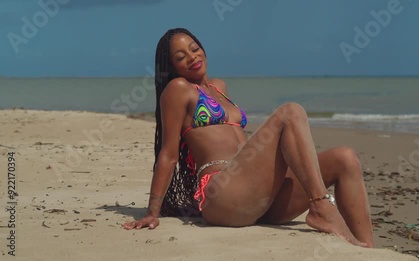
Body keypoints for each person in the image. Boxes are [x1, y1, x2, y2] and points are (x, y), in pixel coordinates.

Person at [122, 28, 374, 248]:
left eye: (194, 48)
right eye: (180, 57)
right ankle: (320, 206)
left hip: (257, 197)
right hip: (222, 193)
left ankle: (370, 250)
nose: (192, 57)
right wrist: (152, 212)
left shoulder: (219, 87)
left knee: (345, 157)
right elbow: (168, 152)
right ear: (172, 67)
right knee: (290, 112)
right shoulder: (178, 90)